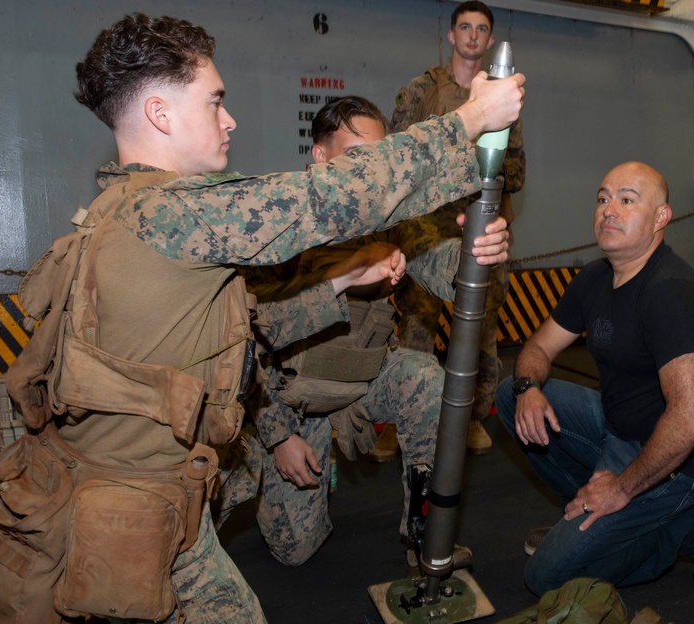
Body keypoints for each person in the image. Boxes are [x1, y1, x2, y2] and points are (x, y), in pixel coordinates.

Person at [0, 12, 524, 624]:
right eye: (215, 100)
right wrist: (466, 121)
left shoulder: (120, 211)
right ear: (160, 113)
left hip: (142, 495)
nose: (229, 120)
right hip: (133, 514)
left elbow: (258, 323)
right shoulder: (176, 212)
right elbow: (333, 198)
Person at [218, 96, 509, 574]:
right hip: (288, 401)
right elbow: (249, 344)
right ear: (320, 157)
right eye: (356, 156)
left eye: (379, 157)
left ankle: (424, 536)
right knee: (296, 551)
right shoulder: (284, 222)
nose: (370, 170)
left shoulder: (389, 220)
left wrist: (481, 252)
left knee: (423, 379)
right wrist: (277, 438)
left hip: (364, 377)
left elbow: (450, 276)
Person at [494, 162, 694, 596]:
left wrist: (622, 489)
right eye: (603, 198)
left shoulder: (671, 293)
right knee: (507, 395)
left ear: (661, 217)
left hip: (674, 462)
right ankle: (588, 517)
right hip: (618, 430)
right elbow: (537, 349)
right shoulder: (594, 278)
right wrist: (528, 389)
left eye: (627, 199)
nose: (609, 209)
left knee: (547, 577)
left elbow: (690, 421)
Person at [375, 0, 526, 459]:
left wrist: (485, 174)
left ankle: (472, 420)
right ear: (452, 35)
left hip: (479, 227)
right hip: (425, 230)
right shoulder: (424, 88)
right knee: (417, 328)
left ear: (489, 38)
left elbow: (516, 173)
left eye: (482, 29)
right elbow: (399, 155)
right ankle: (400, 422)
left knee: (480, 327)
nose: (473, 36)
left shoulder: (503, 100)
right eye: (466, 27)